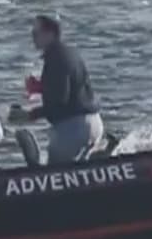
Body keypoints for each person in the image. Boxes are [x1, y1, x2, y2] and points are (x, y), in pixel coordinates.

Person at [25, 14, 104, 164]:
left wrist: (30, 114)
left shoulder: (56, 58)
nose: (32, 37)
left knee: (54, 172)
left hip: (74, 129)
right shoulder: (69, 52)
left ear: (50, 34)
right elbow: (72, 87)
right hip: (93, 122)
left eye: (35, 33)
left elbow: (59, 101)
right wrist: (41, 87)